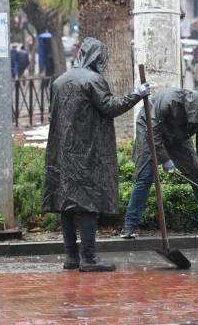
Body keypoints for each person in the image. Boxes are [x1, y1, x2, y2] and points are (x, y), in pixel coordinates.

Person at [42, 37, 151, 272]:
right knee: (87, 202)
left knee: (67, 203)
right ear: (96, 57)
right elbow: (110, 107)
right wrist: (137, 95)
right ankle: (89, 258)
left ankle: (72, 257)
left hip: (62, 152)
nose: (103, 63)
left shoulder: (60, 81)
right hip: (87, 151)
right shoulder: (93, 80)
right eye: (103, 58)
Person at [120, 88, 198, 239]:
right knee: (145, 177)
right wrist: (165, 159)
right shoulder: (169, 101)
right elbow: (152, 132)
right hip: (150, 131)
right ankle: (129, 225)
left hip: (179, 137)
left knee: (197, 176)